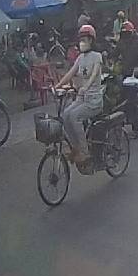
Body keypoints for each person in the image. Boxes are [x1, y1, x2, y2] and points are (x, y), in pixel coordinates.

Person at [54, 24, 104, 169]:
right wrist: (57, 86)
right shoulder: (80, 58)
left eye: (85, 40)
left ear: (91, 40)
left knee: (74, 117)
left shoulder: (97, 57)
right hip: (82, 99)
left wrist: (85, 87)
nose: (82, 42)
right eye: (80, 39)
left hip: (94, 100)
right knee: (65, 115)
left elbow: (94, 74)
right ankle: (75, 148)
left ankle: (85, 151)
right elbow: (70, 73)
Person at [114, 21, 138, 137]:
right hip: (124, 74)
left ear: (132, 33)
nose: (125, 36)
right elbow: (114, 53)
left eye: (127, 33)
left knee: (130, 101)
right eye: (123, 33)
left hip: (135, 77)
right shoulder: (122, 42)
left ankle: (137, 129)